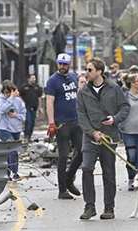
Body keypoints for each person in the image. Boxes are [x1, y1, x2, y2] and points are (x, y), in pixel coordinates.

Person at [77, 58, 130, 220]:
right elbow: (81, 115)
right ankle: (89, 206)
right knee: (86, 168)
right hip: (90, 137)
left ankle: (109, 208)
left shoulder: (114, 88)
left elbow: (125, 107)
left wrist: (115, 119)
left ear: (99, 72)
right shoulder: (83, 92)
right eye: (87, 70)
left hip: (109, 136)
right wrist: (93, 132)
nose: (87, 73)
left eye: (90, 70)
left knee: (108, 172)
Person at [45, 53, 83, 199]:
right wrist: (51, 122)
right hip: (61, 124)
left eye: (65, 64)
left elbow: (79, 96)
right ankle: (62, 190)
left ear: (69, 64)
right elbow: (49, 102)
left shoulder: (73, 77)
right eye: (60, 64)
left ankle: (69, 178)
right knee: (63, 156)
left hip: (76, 120)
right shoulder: (52, 81)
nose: (62, 66)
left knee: (81, 151)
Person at [0, 81, 25, 181]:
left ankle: (12, 173)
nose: (6, 94)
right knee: (11, 149)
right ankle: (11, 172)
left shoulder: (19, 101)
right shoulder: (0, 99)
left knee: (13, 151)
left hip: (16, 129)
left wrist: (16, 115)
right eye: (5, 92)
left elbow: (24, 116)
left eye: (8, 92)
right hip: (3, 129)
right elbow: (2, 110)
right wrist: (11, 98)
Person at [20, 74, 43, 142]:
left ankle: (29, 136)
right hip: (27, 107)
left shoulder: (37, 87)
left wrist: (40, 107)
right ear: (29, 79)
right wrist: (22, 103)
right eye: (32, 78)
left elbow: (39, 98)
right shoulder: (24, 87)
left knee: (32, 123)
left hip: (34, 107)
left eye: (34, 78)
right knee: (28, 121)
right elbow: (19, 95)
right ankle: (26, 136)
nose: (34, 79)